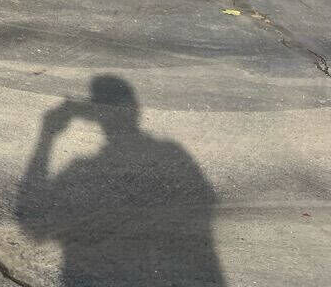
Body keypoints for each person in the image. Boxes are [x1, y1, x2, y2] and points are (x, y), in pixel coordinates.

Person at [16, 75, 224, 286]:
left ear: (96, 116)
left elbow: (32, 225)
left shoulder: (82, 171)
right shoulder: (172, 155)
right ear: (134, 109)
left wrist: (46, 137)